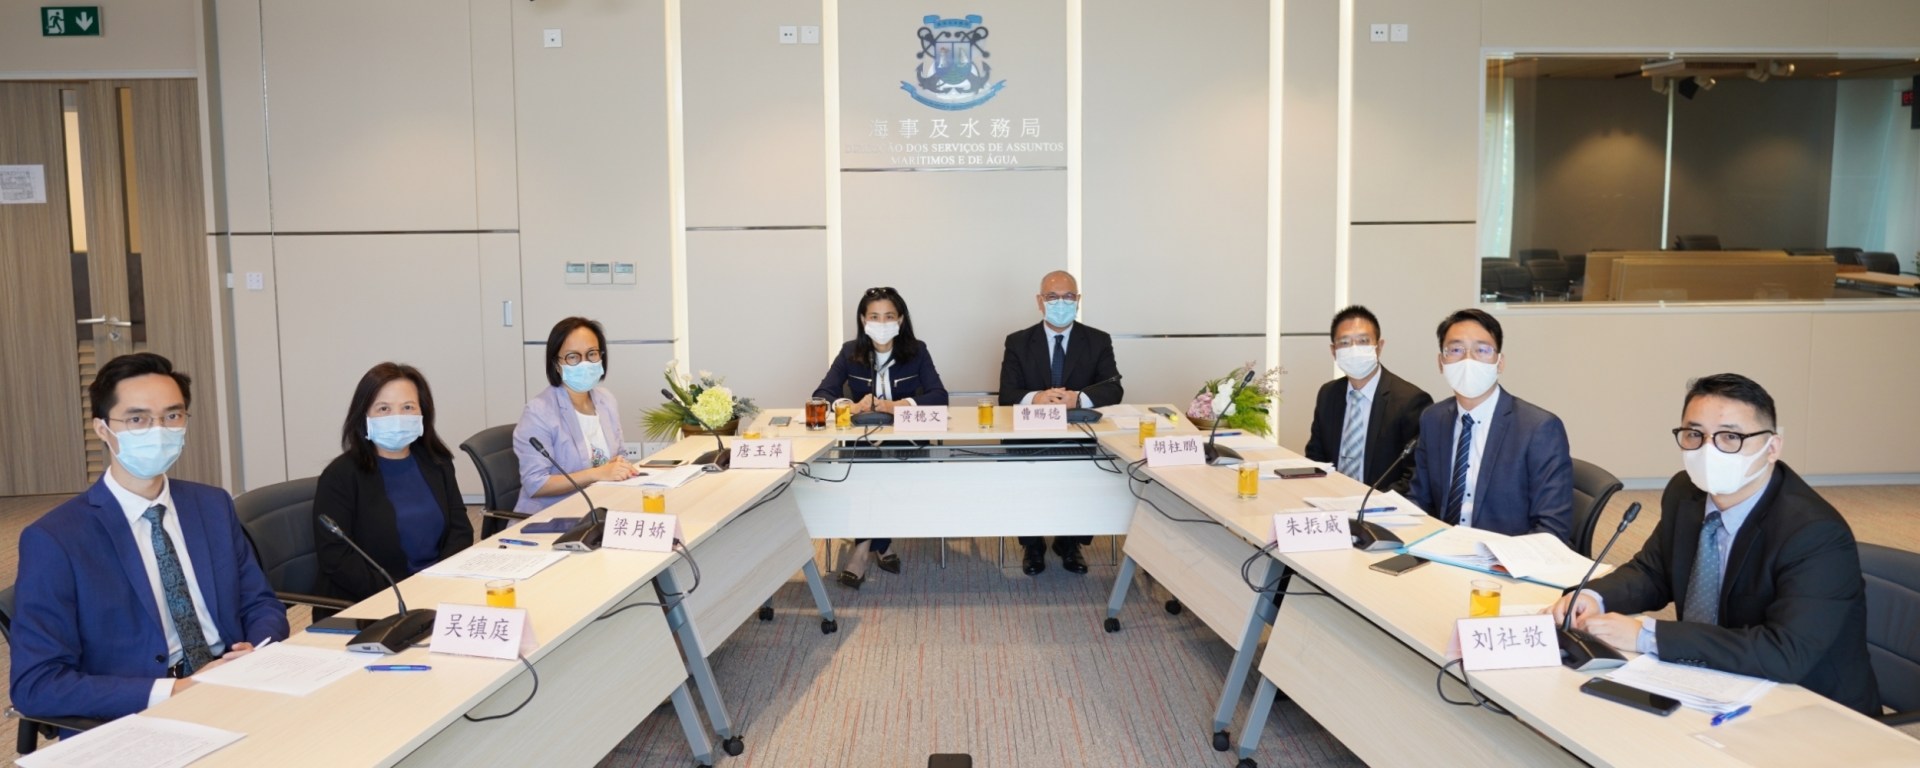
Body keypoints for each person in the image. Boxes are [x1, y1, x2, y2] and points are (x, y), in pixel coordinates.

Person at [1549, 374, 1879, 715]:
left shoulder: (1814, 533)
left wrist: (1648, 636)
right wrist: (1593, 596)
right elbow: (1654, 571)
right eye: (1695, 435)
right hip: (1712, 680)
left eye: (1730, 437)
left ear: (1772, 448)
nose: (1709, 450)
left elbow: (1785, 653)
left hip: (1809, 706)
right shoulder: (1686, 491)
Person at [10, 353, 289, 721]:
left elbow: (260, 603)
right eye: (137, 419)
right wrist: (176, 691)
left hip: (235, 683)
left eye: (172, 416)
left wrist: (253, 651)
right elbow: (36, 685)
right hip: (144, 708)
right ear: (102, 429)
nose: (158, 430)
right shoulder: (56, 539)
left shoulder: (211, 505)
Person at [812, 286, 949, 587]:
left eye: (889, 316)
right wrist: (850, 406)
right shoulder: (850, 352)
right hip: (864, 441)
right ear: (863, 320)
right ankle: (881, 546)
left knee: (880, 475)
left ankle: (862, 551)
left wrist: (895, 406)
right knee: (870, 474)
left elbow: (940, 397)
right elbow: (822, 395)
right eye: (874, 316)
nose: (882, 322)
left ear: (900, 320)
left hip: (908, 442)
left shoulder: (917, 351)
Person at [314, 363, 475, 608]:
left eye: (408, 407)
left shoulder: (437, 462)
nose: (397, 418)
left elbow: (460, 530)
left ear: (423, 413)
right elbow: (336, 558)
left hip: (437, 590)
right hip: (372, 601)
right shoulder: (340, 476)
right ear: (364, 415)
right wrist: (404, 594)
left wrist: (440, 581)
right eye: (383, 409)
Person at [1405, 309, 1573, 542]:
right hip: (1440, 549)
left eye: (1482, 350)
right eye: (1456, 350)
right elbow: (1419, 499)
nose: (1468, 360)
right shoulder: (1433, 418)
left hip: (1505, 558)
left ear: (1499, 363)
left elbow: (1553, 528)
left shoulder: (1539, 428)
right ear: (1441, 362)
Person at [997, 270, 1123, 575]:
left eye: (1068, 297)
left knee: (1090, 475)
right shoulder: (1018, 341)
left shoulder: (1097, 340)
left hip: (1078, 433)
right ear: (1040, 301)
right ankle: (1032, 545)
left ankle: (1069, 543)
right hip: (1029, 435)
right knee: (1023, 474)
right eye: (1052, 297)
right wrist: (1037, 398)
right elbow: (1006, 394)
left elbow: (1113, 389)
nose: (1060, 303)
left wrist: (1077, 398)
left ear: (1077, 300)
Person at [514, 317, 639, 514]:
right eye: (573, 357)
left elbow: (620, 454)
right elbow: (536, 484)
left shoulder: (606, 400)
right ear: (556, 364)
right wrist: (596, 474)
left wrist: (619, 467)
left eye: (592, 354)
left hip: (603, 506)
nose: (585, 363)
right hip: (554, 516)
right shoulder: (538, 412)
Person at [1302, 305, 1431, 493]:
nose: (1354, 349)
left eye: (1363, 341)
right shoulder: (1328, 394)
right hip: (1329, 499)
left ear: (1379, 347)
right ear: (1333, 351)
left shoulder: (1410, 401)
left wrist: (1370, 503)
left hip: (1381, 504)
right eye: (1345, 342)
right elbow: (1315, 457)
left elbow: (1414, 476)